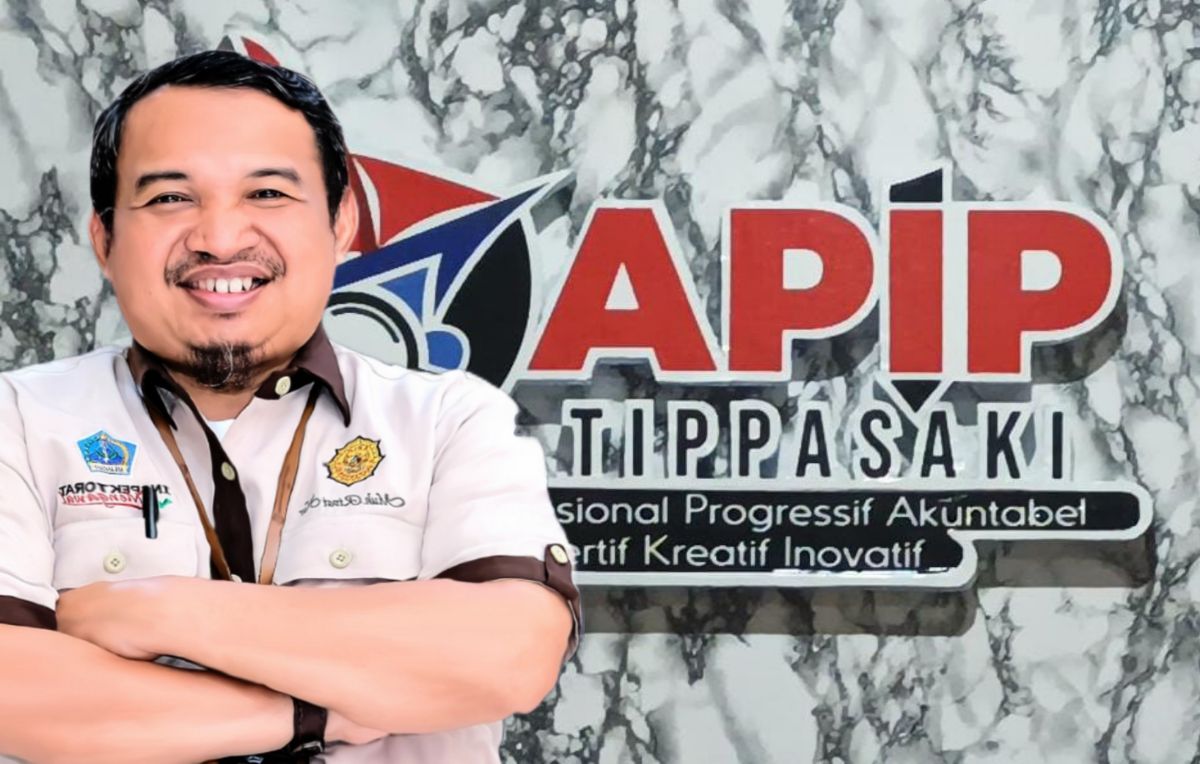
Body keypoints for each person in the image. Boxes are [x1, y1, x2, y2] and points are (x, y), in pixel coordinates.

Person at [0, 50, 579, 763]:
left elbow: (509, 655)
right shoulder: (17, 419)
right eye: (170, 198)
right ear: (105, 239)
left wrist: (160, 611)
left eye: (268, 193)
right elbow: (10, 691)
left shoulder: (449, 419)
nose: (219, 239)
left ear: (340, 224)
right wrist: (316, 712)